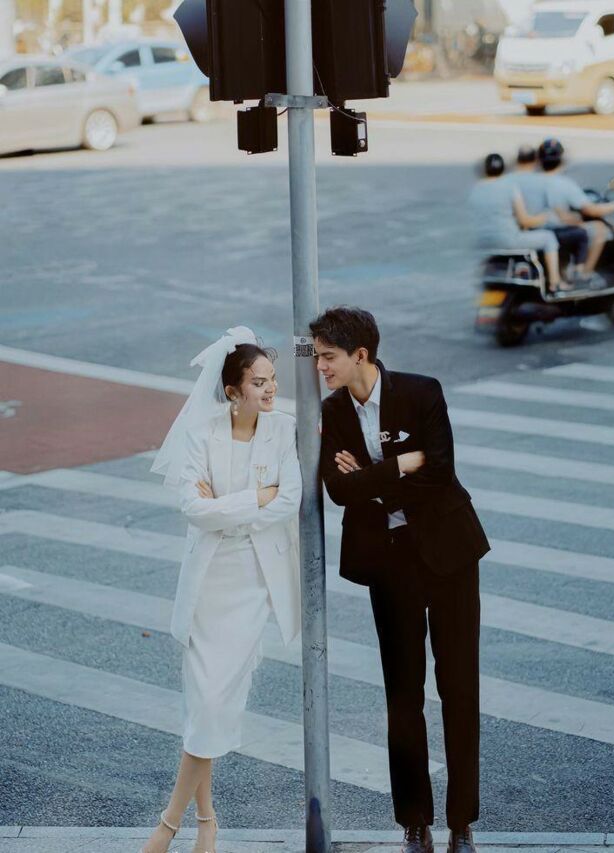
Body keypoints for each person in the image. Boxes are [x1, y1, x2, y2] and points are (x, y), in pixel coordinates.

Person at [311, 307, 491, 853]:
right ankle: (414, 821)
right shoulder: (331, 411)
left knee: (459, 687)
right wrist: (396, 466)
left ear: (360, 355)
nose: (320, 367)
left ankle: (461, 823)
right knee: (402, 694)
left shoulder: (421, 392)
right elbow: (337, 490)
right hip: (389, 563)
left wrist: (369, 479)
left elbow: (439, 473)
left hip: (449, 555)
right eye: (317, 357)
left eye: (328, 357)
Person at [141, 326, 302, 853]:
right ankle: (206, 821)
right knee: (202, 708)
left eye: (272, 379)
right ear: (233, 391)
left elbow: (289, 500)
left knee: (212, 705)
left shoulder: (285, 430)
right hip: (208, 582)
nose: (270, 389)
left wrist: (226, 506)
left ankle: (168, 826)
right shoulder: (202, 433)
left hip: (252, 581)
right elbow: (193, 509)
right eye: (258, 382)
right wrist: (256, 498)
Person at [469, 153, 573, 293]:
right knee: (549, 238)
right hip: (507, 240)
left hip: (482, 242)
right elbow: (525, 220)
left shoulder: (476, 189)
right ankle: (555, 284)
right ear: (503, 168)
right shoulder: (509, 187)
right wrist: (546, 216)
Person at [538, 138, 614, 286]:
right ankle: (583, 275)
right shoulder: (564, 184)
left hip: (535, 228)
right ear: (561, 159)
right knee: (599, 229)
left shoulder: (531, 181)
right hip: (554, 230)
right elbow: (591, 210)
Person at [510, 144, 594, 286]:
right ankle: (560, 281)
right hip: (534, 230)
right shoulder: (553, 182)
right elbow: (554, 213)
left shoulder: (513, 180)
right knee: (579, 234)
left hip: (520, 228)